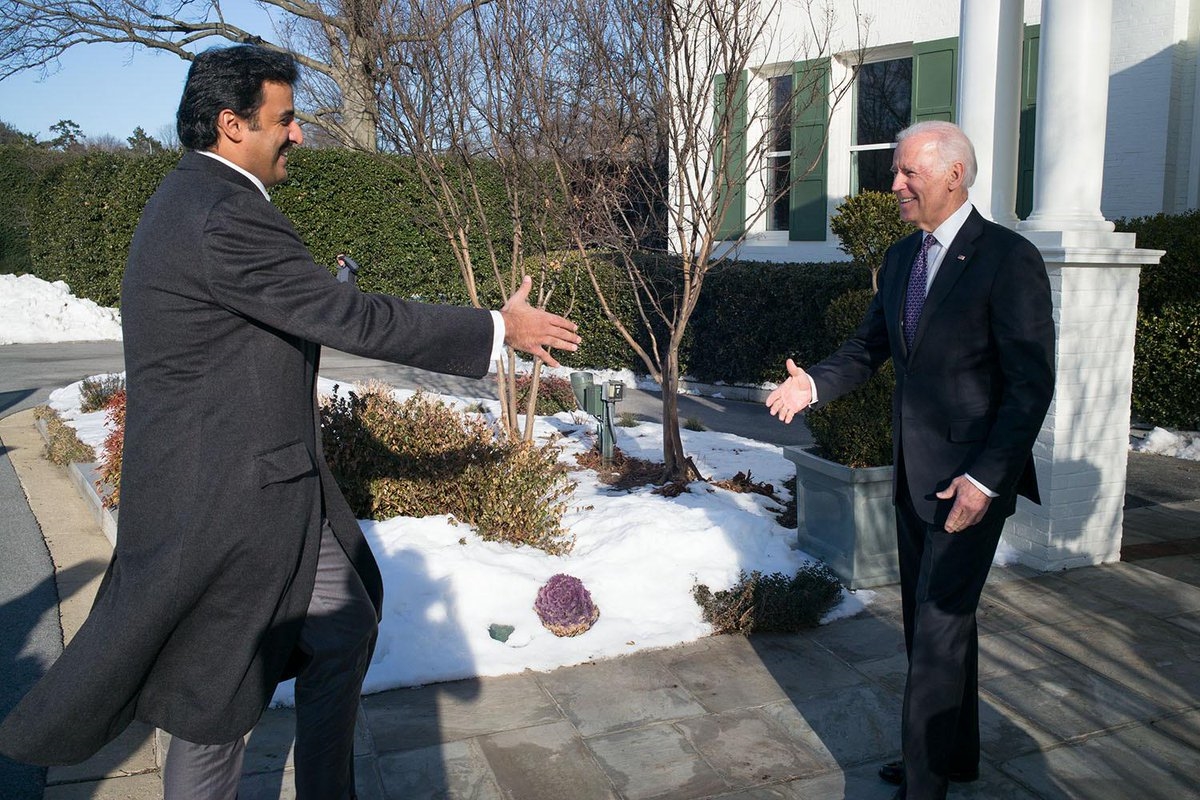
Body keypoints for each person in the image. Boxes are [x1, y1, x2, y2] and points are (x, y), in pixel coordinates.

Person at [0, 44, 579, 799]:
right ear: (232, 124)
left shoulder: (207, 200)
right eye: (287, 118)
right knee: (217, 711)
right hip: (223, 507)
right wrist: (495, 330)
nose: (300, 134)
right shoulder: (217, 213)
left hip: (276, 491)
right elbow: (346, 315)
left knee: (344, 632)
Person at [766, 121, 1054, 800]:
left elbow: (1030, 385)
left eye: (907, 174)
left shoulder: (1008, 260)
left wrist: (987, 478)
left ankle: (924, 786)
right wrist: (812, 383)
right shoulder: (902, 261)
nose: (893, 185)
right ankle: (956, 756)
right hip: (913, 478)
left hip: (970, 483)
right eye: (895, 172)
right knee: (935, 625)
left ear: (953, 175)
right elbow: (869, 350)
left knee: (939, 628)